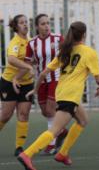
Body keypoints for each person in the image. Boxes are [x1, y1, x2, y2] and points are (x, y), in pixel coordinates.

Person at [17, 21, 99, 170]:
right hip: (70, 95)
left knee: (83, 121)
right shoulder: (89, 52)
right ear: (84, 34)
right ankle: (27, 154)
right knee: (54, 131)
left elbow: (44, 72)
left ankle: (62, 153)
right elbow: (98, 78)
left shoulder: (65, 51)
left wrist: (36, 89)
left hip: (62, 92)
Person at [13, 14, 67, 155]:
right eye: (43, 24)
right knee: (45, 112)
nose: (46, 26)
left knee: (50, 110)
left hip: (56, 78)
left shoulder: (58, 38)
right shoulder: (32, 43)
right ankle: (61, 131)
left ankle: (52, 144)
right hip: (41, 81)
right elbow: (28, 63)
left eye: (48, 23)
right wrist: (16, 78)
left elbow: (68, 55)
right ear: (37, 26)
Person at [0, 14, 34, 156]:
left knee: (24, 114)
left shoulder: (32, 42)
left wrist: (30, 68)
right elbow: (12, 59)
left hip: (26, 84)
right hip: (8, 82)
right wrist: (28, 68)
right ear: (16, 26)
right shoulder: (15, 42)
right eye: (22, 23)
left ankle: (19, 148)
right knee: (6, 116)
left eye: (26, 22)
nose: (25, 25)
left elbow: (31, 61)